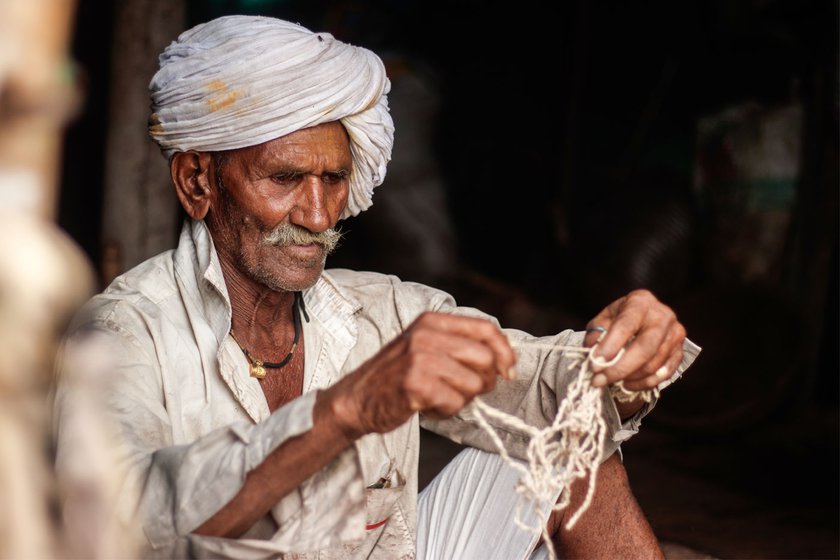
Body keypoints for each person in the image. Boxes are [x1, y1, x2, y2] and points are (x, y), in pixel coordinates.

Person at [52, 14, 700, 560]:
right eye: (283, 179)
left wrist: (626, 357)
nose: (316, 214)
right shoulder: (124, 333)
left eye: (333, 180)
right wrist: (343, 410)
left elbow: (546, 383)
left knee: (568, 435)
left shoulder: (384, 311)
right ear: (198, 182)